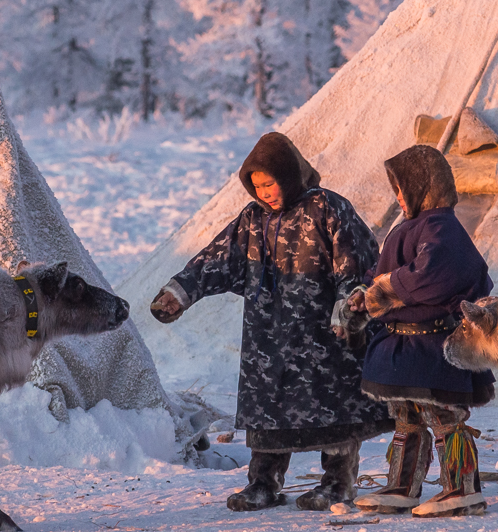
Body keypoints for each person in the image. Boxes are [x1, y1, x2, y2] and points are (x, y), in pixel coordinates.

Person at [150, 132, 393, 512]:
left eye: (270, 183)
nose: (264, 192)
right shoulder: (252, 220)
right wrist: (181, 291)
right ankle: (263, 483)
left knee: (334, 409)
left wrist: (349, 305)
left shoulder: (328, 208)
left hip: (324, 336)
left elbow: (356, 261)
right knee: (267, 409)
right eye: (257, 185)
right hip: (268, 337)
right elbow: (218, 259)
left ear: (290, 175)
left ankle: (337, 482)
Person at [349, 144, 495, 517]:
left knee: (443, 417)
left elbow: (432, 272)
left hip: (433, 346)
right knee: (407, 417)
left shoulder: (441, 227)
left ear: (423, 187)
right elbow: (382, 269)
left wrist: (385, 290)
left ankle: (461, 488)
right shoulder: (408, 227)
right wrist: (363, 292)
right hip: (403, 345)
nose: (398, 197)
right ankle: (402, 485)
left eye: (402, 188)